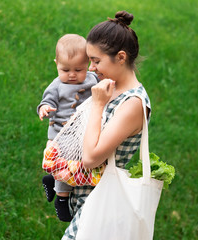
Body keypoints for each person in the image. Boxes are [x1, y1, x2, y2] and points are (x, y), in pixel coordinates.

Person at [62, 10, 152, 239]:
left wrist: (98, 105)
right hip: (86, 200)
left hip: (101, 205)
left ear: (121, 57)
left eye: (96, 61)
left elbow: (91, 158)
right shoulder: (109, 86)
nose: (91, 68)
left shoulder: (133, 104)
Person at [37, 34, 99, 222]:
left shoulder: (93, 79)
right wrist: (45, 109)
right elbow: (46, 101)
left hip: (83, 133)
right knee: (64, 165)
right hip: (61, 135)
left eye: (78, 69)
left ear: (87, 64)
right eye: (65, 69)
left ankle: (51, 180)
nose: (72, 74)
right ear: (56, 63)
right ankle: (62, 201)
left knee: (75, 167)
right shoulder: (56, 86)